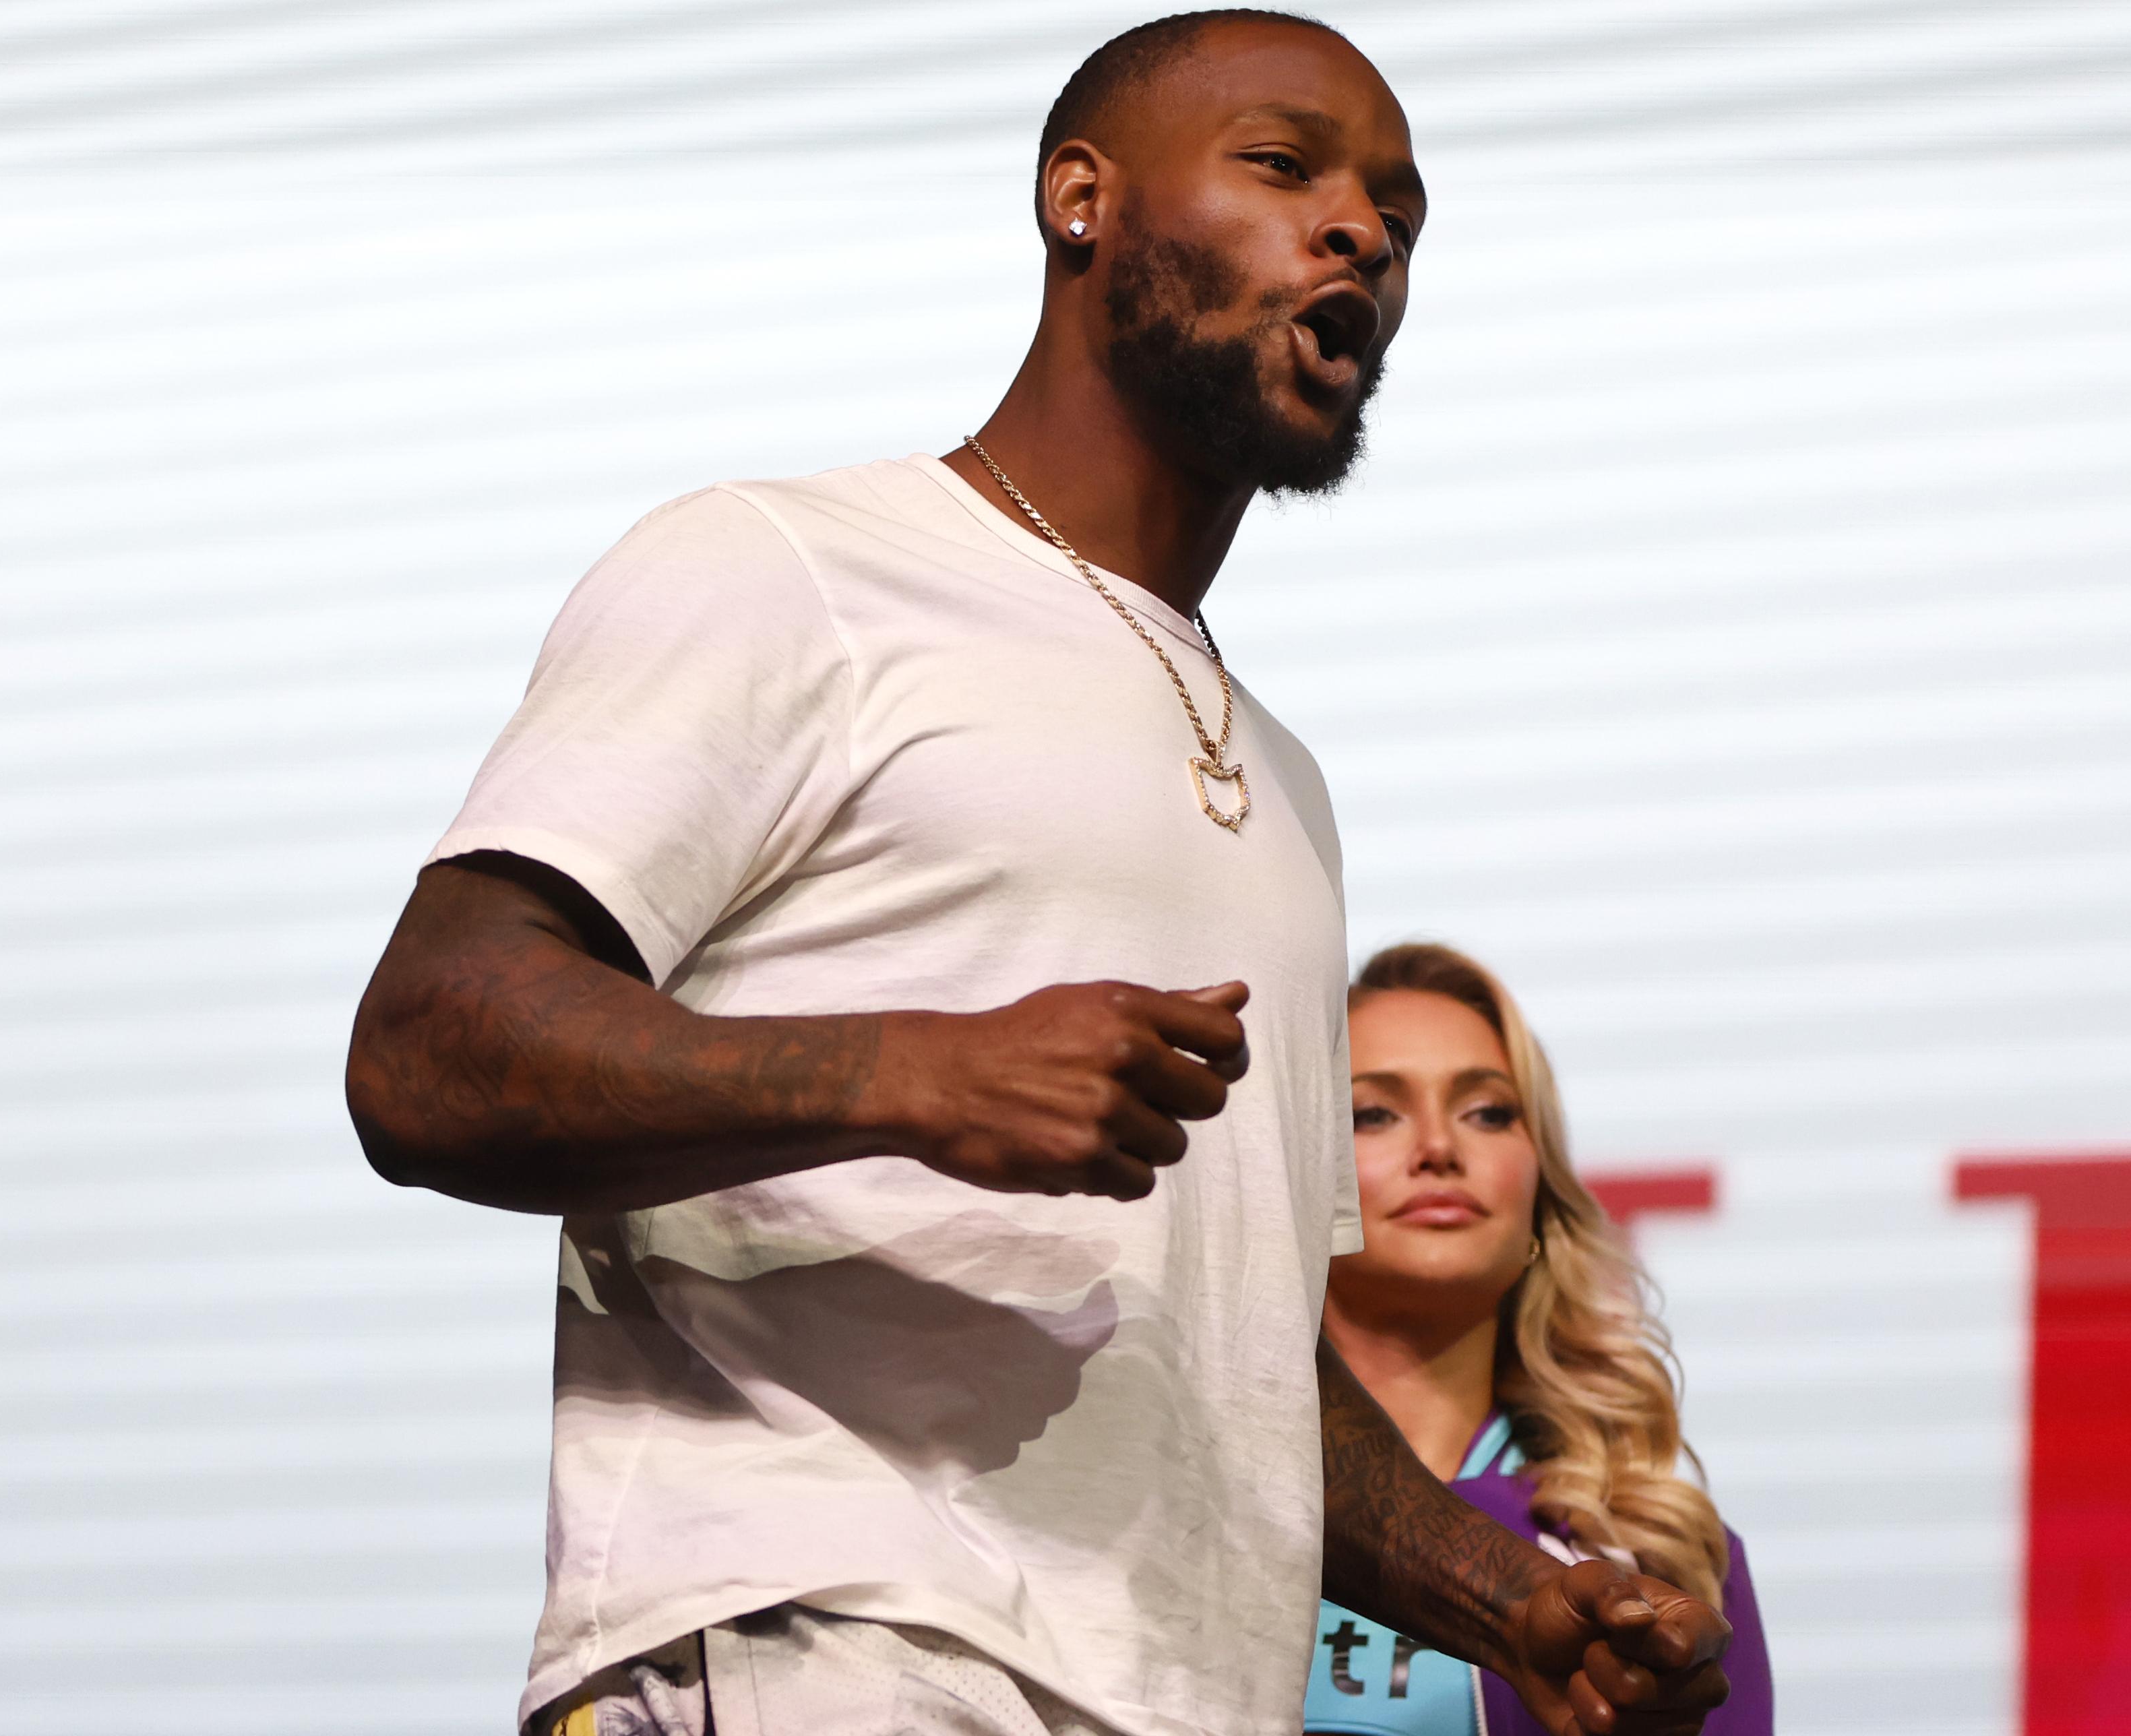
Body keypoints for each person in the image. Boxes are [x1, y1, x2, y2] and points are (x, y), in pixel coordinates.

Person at [343, 12, 1728, 1735]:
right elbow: (424, 1050)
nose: (1362, 229)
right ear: (1081, 199)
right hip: (828, 1642)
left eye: (1399, 211)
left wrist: (1505, 1595)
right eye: (1287, 168)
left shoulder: (1286, 783)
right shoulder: (796, 571)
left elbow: (1226, 1356)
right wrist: (916, 1071)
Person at [1305, 943, 1770, 1736]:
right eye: (1370, 1111)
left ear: (1540, 1194)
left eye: (1488, 1110)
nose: (1438, 1148)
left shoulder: (1655, 1556)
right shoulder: (1195, 1496)